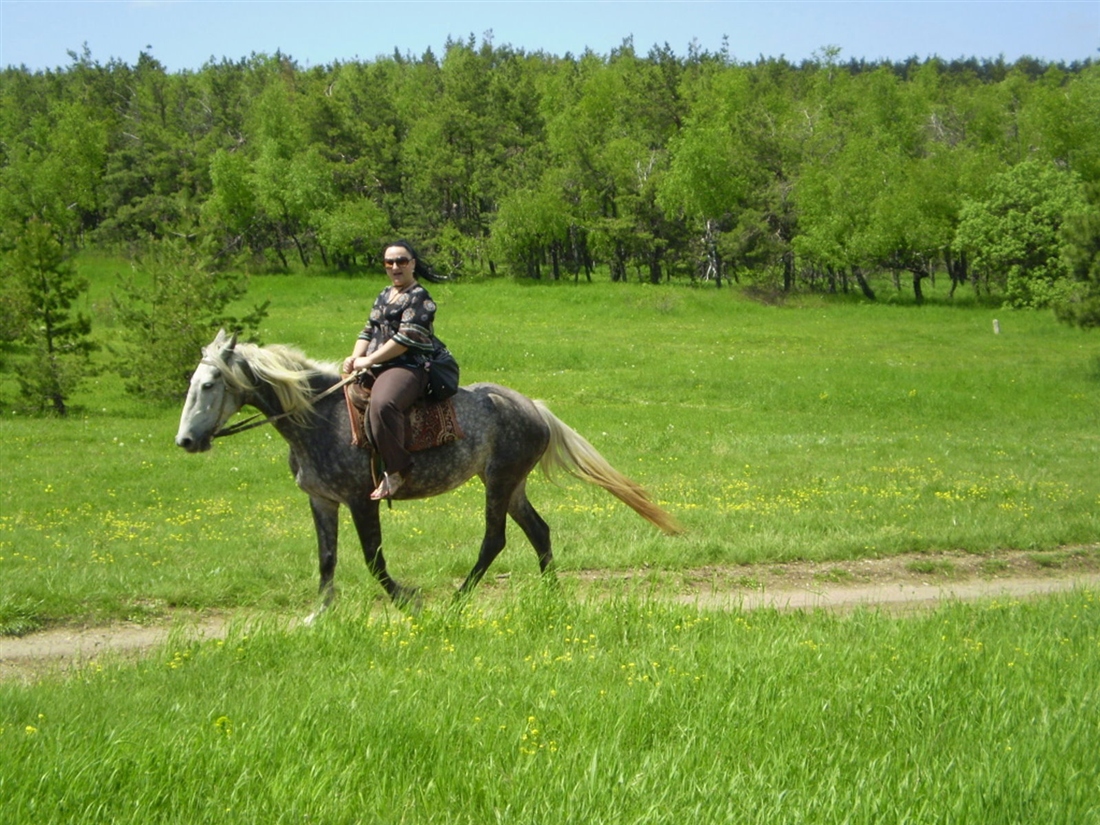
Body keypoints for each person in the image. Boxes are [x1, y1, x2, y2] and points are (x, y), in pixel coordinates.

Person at [343, 240, 448, 500]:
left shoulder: (420, 297)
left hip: (409, 366)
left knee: (383, 403)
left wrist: (369, 360)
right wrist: (355, 357)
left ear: (412, 263)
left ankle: (398, 468)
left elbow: (405, 340)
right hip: (377, 362)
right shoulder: (384, 294)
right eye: (389, 262)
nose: (395, 266)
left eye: (401, 261)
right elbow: (368, 329)